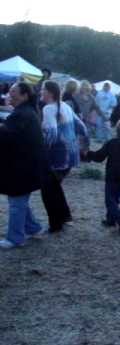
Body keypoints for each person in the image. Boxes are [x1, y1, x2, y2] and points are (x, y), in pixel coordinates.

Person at [0, 82, 47, 249]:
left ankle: (15, 238)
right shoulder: (26, 111)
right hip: (27, 165)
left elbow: (5, 135)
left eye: (14, 92)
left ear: (25, 96)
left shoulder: (22, 114)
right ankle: (33, 227)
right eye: (9, 91)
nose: (9, 95)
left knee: (16, 202)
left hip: (22, 166)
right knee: (19, 199)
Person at [40, 80, 88, 233]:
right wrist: (84, 145)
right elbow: (82, 127)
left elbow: (52, 134)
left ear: (50, 93)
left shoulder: (48, 108)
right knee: (55, 188)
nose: (41, 92)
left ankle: (56, 224)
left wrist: (44, 151)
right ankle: (64, 216)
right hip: (72, 155)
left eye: (43, 90)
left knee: (48, 191)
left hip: (58, 157)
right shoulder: (66, 106)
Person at [86, 119, 120, 234]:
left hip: (112, 174)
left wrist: (88, 153)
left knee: (110, 200)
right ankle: (110, 220)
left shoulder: (112, 143)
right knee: (115, 198)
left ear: (117, 130)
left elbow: (99, 157)